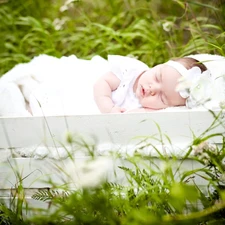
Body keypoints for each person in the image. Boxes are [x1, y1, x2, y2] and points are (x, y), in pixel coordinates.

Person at [0, 53, 224, 116]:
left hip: (94, 113)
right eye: (156, 76)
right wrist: (107, 107)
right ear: (157, 65)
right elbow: (101, 83)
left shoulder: (153, 109)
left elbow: (135, 115)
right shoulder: (132, 72)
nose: (152, 88)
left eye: (162, 97)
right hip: (89, 92)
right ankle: (33, 103)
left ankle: (30, 111)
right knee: (59, 96)